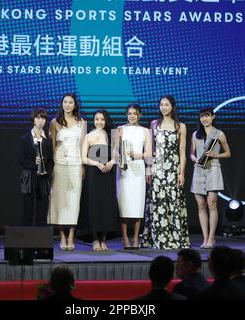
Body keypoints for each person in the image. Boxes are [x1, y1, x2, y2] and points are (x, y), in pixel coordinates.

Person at [141, 95, 190, 249]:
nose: (163, 107)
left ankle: (176, 237)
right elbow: (151, 150)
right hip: (158, 168)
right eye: (161, 104)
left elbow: (182, 152)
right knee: (158, 204)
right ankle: (160, 238)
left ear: (173, 107)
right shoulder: (154, 124)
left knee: (174, 203)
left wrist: (181, 173)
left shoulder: (180, 126)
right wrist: (149, 169)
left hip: (173, 168)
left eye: (166, 105)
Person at [48, 93, 87, 251]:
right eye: (65, 102)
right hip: (60, 165)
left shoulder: (82, 122)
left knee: (73, 202)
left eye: (71, 102)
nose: (68, 105)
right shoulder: (54, 122)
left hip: (76, 164)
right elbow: (51, 146)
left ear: (75, 105)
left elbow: (83, 145)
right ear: (61, 104)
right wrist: (52, 165)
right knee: (60, 202)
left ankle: (71, 236)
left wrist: (83, 165)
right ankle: (62, 237)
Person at [190, 108, 231, 249]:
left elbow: (228, 153)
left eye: (207, 116)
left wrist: (216, 155)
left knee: (211, 204)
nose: (204, 119)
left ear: (213, 117)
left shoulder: (219, 134)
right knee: (201, 205)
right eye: (202, 117)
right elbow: (191, 153)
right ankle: (205, 238)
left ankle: (212, 238)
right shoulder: (196, 134)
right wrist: (195, 160)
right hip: (198, 171)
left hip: (213, 169)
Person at [78, 110, 119, 251]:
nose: (99, 122)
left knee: (107, 206)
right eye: (96, 119)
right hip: (94, 174)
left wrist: (111, 162)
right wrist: (97, 163)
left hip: (108, 174)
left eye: (102, 119)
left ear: (106, 120)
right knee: (94, 205)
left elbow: (118, 156)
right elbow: (83, 158)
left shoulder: (113, 134)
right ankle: (95, 239)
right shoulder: (89, 136)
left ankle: (104, 239)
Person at [115, 104, 152, 249]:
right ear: (126, 115)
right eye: (130, 113)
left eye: (135, 114)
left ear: (140, 115)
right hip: (123, 169)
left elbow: (148, 153)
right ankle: (125, 239)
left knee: (137, 205)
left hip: (138, 168)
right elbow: (114, 150)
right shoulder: (119, 129)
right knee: (123, 204)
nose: (132, 116)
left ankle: (136, 238)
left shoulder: (146, 131)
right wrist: (120, 159)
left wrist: (135, 155)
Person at [18, 108, 54, 226]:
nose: (40, 121)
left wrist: (46, 172)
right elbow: (21, 160)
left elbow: (50, 161)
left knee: (42, 212)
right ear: (33, 119)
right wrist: (35, 164)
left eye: (43, 118)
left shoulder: (48, 140)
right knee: (27, 212)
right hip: (29, 179)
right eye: (38, 118)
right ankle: (26, 242)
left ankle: (41, 242)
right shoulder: (25, 139)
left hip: (43, 180)